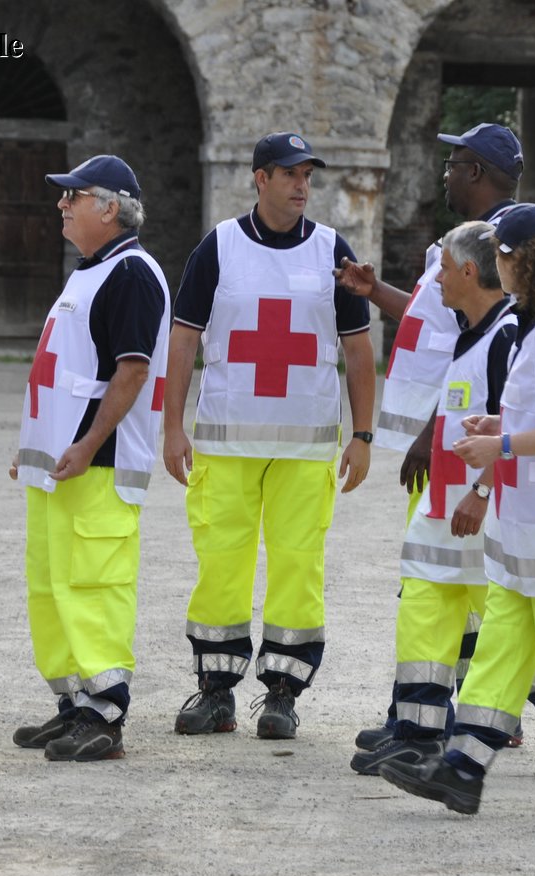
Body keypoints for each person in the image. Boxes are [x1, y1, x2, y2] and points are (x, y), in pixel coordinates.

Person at [336, 122, 535, 776]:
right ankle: (418, 723)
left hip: (469, 468)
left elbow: (481, 373)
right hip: (454, 460)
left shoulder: (499, 251)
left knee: (494, 606)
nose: (444, 173)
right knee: (446, 591)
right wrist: (372, 290)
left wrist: (433, 443)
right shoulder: (471, 261)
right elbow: (438, 320)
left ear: (474, 170)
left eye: (452, 163)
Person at [380, 204, 535, 823]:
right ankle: (463, 768)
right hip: (534, 521)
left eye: (499, 256)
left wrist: (503, 444)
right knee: (500, 647)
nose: (495, 267)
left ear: (520, 260)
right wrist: (502, 425)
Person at [162, 131, 375, 740]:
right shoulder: (218, 249)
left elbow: (358, 351)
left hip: (305, 449)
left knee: (297, 566)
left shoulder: (334, 253)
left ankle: (283, 691)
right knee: (220, 564)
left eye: (307, 174)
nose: (301, 184)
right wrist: (173, 426)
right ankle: (216, 691)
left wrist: (361, 434)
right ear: (261, 178)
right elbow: (183, 341)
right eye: (289, 174)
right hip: (225, 445)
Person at [9, 154, 171, 762]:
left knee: (93, 586)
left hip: (96, 468)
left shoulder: (131, 273)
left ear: (109, 207)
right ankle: (74, 705)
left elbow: (132, 371)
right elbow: (63, 376)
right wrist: (32, 452)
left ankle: (105, 715)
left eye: (73, 195)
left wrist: (86, 444)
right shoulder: (89, 272)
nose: (61, 204)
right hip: (59, 470)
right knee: (52, 587)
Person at [349, 219, 515, 776]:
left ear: (470, 271)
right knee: (424, 600)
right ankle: (418, 730)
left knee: (514, 618)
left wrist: (482, 491)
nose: (434, 277)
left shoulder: (507, 335)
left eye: (443, 266)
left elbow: (519, 424)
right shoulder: (475, 327)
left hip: (479, 504)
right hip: (446, 496)